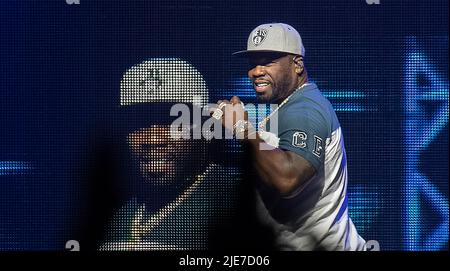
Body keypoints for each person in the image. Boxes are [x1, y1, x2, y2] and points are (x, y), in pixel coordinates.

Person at [214, 23, 366, 250]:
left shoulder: (305, 109)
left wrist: (241, 127)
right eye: (253, 63)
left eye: (268, 61)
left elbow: (288, 179)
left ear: (297, 65)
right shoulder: (288, 106)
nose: (256, 71)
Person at [99, 58, 239, 250]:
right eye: (138, 124)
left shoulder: (235, 199)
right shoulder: (121, 213)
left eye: (173, 122)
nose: (153, 140)